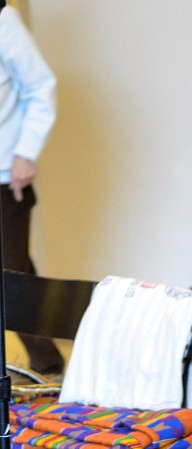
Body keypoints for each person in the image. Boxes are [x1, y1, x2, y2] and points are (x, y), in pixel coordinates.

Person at [0, 4, 61, 377]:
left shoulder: (3, 21)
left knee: (12, 275)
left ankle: (48, 366)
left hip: (6, 177)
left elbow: (41, 87)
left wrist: (26, 154)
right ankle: (47, 362)